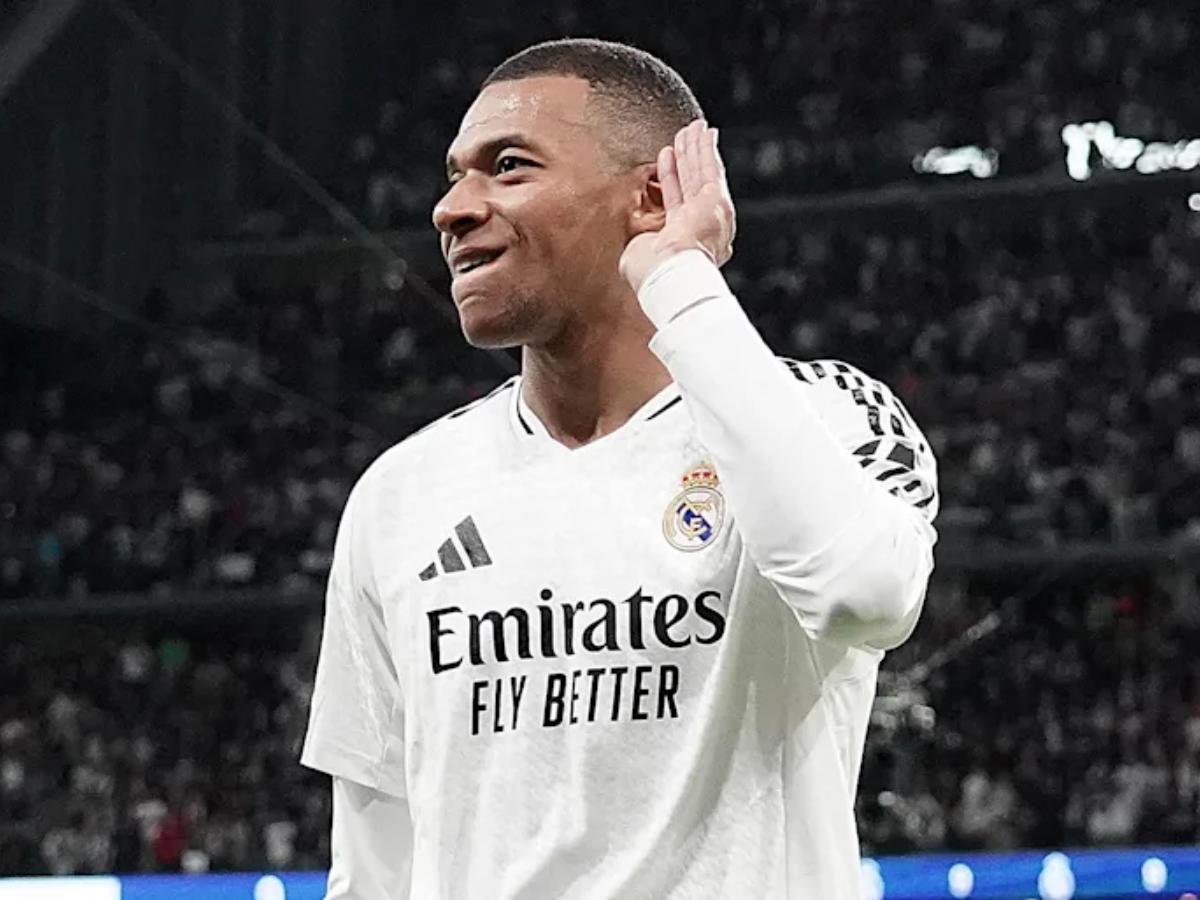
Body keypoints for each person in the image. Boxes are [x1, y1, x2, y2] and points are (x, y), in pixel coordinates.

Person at [301, 37, 939, 900]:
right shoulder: (401, 494)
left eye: (508, 167)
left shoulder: (824, 416)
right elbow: (376, 865)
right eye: (454, 176)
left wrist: (679, 279)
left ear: (650, 196)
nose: (452, 208)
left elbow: (862, 591)